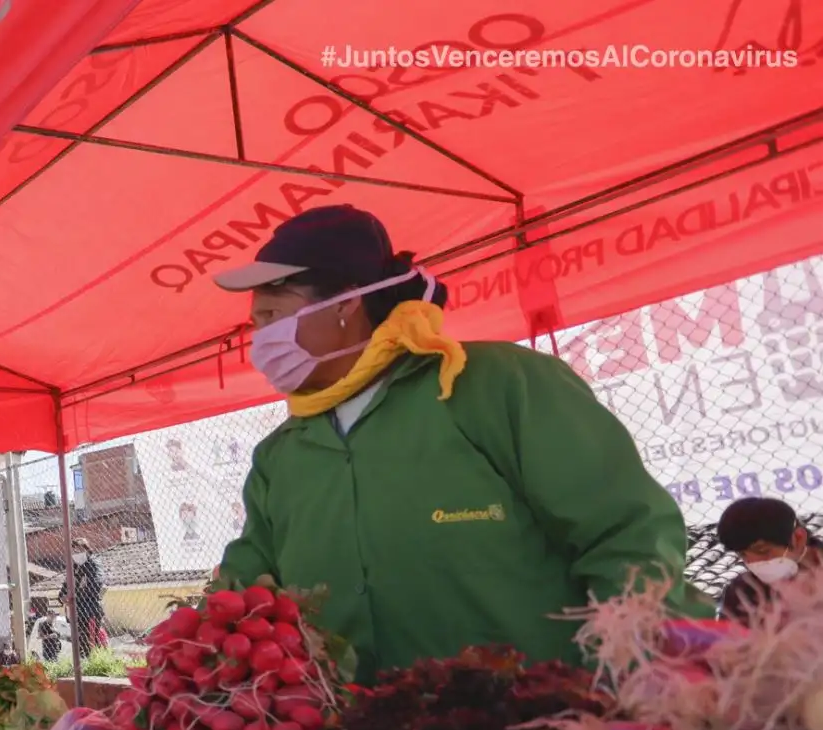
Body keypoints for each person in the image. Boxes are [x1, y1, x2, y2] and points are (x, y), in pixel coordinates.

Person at [213, 205, 700, 679]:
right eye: (255, 325)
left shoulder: (496, 385)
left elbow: (627, 537)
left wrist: (626, 688)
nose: (260, 341)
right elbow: (244, 592)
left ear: (344, 303)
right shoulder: (281, 454)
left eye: (272, 315)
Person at [716, 497, 820, 622]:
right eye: (743, 554)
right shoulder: (743, 592)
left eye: (763, 551)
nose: (754, 563)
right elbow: (727, 637)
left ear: (798, 538)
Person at [63, 539, 107, 659]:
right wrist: (63, 596)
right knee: (81, 639)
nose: (76, 552)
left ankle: (96, 661)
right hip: (78, 609)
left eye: (80, 549)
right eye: (74, 550)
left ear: (87, 549)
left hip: (91, 609)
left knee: (92, 638)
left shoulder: (94, 563)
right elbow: (66, 584)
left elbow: (97, 584)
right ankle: (85, 662)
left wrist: (76, 593)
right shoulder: (74, 566)